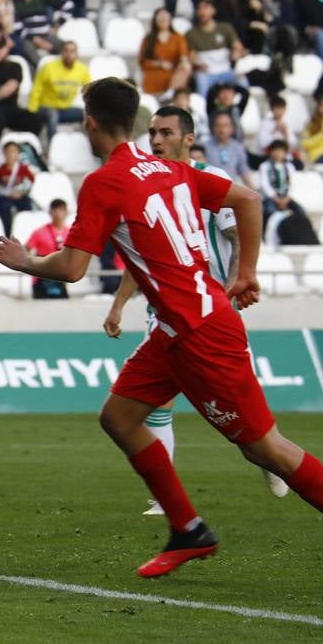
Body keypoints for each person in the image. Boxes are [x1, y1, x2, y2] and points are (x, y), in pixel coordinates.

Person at [0, 76, 323, 584]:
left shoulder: (104, 183)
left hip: (200, 333)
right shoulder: (173, 170)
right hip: (174, 329)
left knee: (265, 448)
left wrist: (23, 261)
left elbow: (74, 268)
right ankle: (188, 529)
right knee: (119, 417)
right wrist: (245, 270)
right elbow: (249, 199)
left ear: (89, 124)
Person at [102, 105, 287, 509]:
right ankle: (164, 499)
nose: (157, 141)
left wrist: (236, 279)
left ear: (187, 138)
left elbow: (237, 233)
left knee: (240, 405)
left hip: (212, 307)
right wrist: (118, 305)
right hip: (165, 312)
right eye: (153, 134)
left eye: (166, 133)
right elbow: (140, 252)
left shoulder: (212, 178)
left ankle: (271, 456)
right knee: (153, 406)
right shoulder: (145, 180)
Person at [27, 40, 90, 139]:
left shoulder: (82, 70)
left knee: (88, 115)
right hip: (45, 108)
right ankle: (53, 148)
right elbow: (36, 90)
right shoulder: (48, 68)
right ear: (62, 52)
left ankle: (89, 146)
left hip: (65, 109)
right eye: (66, 51)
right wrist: (31, 113)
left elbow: (89, 90)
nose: (69, 54)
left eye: (72, 51)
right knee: (52, 114)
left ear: (77, 54)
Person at [187, 0, 246, 96]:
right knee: (201, 83)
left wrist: (236, 53)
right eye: (199, 9)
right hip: (207, 72)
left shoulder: (225, 28)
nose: (202, 12)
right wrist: (198, 65)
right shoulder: (192, 33)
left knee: (242, 80)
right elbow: (191, 57)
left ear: (213, 10)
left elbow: (239, 48)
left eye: (205, 8)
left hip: (225, 70)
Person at [140, 8, 192, 97]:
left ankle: (170, 94)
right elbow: (143, 62)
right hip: (153, 76)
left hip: (172, 76)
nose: (163, 20)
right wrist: (159, 64)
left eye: (165, 17)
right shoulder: (148, 39)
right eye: (160, 18)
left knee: (185, 67)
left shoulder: (178, 37)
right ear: (155, 20)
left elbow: (183, 55)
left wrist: (184, 62)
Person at [25, 199, 71, 299]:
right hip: (42, 277)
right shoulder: (39, 232)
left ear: (66, 212)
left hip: (60, 279)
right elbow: (26, 251)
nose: (58, 213)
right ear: (50, 212)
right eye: (55, 209)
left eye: (61, 210)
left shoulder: (70, 234)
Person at [257, 139, 303, 224]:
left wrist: (286, 198)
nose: (278, 154)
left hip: (286, 197)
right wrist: (277, 199)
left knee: (300, 210)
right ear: (270, 152)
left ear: (285, 153)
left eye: (281, 151)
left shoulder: (289, 167)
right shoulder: (264, 166)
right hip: (271, 198)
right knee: (270, 212)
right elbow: (265, 186)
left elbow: (293, 184)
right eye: (275, 151)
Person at [206, 111, 253, 186]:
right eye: (218, 125)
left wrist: (253, 190)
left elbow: (243, 170)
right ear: (213, 128)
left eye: (225, 125)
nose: (221, 130)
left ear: (232, 128)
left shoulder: (238, 147)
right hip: (211, 189)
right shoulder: (205, 147)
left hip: (231, 189)